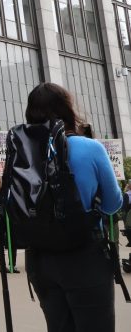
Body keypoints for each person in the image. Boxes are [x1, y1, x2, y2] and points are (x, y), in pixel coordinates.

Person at [21, 83, 123, 331]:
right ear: (67, 108)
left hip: (40, 257)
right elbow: (113, 204)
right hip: (84, 255)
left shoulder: (26, 150)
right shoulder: (90, 148)